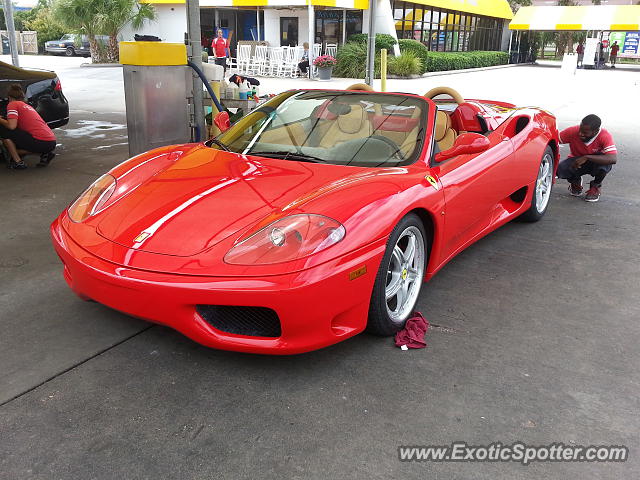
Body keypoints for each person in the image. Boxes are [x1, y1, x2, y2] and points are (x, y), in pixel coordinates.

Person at [556, 114, 617, 202]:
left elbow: (613, 158)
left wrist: (586, 157)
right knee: (560, 169)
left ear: (595, 132)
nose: (580, 134)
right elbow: (554, 140)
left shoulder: (604, 136)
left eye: (585, 133)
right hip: (577, 161)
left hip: (596, 162)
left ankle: (596, 186)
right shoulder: (573, 131)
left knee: (605, 165)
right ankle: (575, 180)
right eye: (580, 130)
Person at [0, 84, 56, 169]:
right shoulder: (27, 106)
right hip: (51, 142)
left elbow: (11, 126)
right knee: (13, 144)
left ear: (9, 97)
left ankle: (18, 162)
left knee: (4, 130)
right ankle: (44, 153)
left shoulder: (13, 104)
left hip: (40, 141)